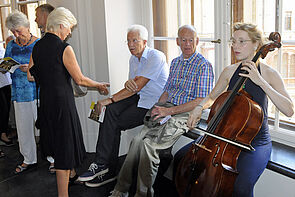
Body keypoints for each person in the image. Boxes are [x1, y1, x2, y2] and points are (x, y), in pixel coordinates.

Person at [184, 22, 294, 197]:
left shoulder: (269, 74)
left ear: (256, 45)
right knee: (183, 158)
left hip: (255, 143)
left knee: (240, 187)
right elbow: (212, 97)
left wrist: (261, 82)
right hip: (225, 136)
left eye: (241, 41)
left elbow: (289, 110)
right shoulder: (229, 71)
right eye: (233, 41)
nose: (235, 46)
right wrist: (198, 108)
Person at [109, 25, 214, 197]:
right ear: (178, 42)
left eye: (191, 40)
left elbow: (200, 101)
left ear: (196, 41)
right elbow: (167, 90)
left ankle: (143, 194)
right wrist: (157, 107)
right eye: (183, 40)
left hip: (185, 114)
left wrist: (169, 111)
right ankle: (121, 189)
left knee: (149, 147)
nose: (187, 44)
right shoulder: (175, 62)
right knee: (137, 141)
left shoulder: (203, 66)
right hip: (167, 108)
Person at [28, 7, 109, 197]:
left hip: (46, 102)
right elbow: (80, 79)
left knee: (58, 143)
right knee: (65, 147)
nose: (70, 32)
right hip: (62, 104)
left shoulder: (37, 46)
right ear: (61, 25)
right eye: (69, 28)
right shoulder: (64, 48)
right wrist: (98, 85)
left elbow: (30, 75)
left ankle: (72, 174)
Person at [78, 24, 169, 187]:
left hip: (153, 103)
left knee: (111, 121)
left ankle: (104, 167)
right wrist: (127, 85)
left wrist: (108, 99)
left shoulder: (156, 56)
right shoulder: (133, 58)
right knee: (108, 113)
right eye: (128, 41)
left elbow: (138, 85)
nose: (131, 44)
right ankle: (105, 167)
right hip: (138, 97)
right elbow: (132, 87)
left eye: (135, 40)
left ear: (145, 41)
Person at [5, 10, 40, 174]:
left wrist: (31, 68)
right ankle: (29, 159)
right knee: (24, 129)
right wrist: (11, 67)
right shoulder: (11, 45)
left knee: (45, 127)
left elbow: (46, 67)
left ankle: (53, 159)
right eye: (13, 31)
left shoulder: (38, 43)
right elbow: (5, 66)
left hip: (37, 91)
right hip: (19, 92)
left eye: (18, 30)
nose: (16, 34)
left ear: (27, 26)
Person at [35, 3, 56, 174]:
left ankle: (58, 160)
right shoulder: (40, 43)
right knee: (48, 125)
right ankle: (53, 159)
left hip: (54, 92)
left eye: (37, 15)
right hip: (47, 91)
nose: (35, 19)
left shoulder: (55, 43)